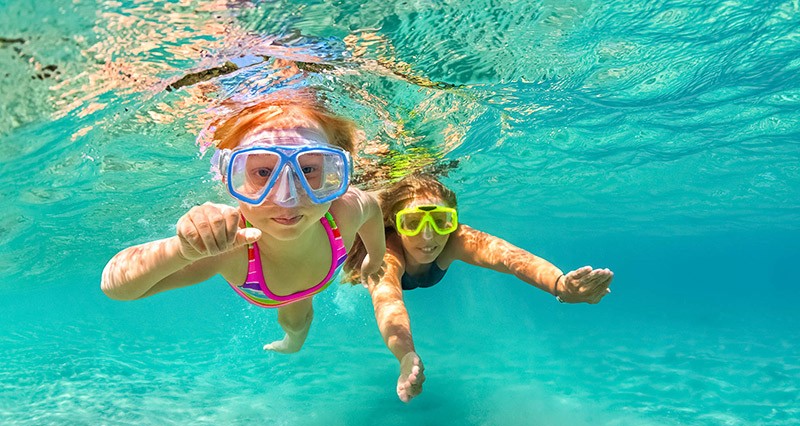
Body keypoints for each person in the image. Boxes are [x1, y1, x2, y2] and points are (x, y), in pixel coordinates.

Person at [101, 94, 386, 353]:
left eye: (309, 169)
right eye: (263, 172)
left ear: (335, 169)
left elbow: (373, 211)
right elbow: (116, 287)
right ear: (230, 177)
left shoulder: (345, 210)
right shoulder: (229, 245)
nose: (287, 197)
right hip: (267, 289)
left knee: (299, 319)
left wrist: (374, 258)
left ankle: (293, 343)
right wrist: (183, 250)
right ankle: (292, 342)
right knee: (294, 318)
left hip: (312, 283)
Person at [345, 174, 613, 402]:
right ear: (396, 224)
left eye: (441, 221)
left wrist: (560, 285)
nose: (428, 236)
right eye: (413, 222)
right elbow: (389, 304)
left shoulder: (456, 240)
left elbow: (510, 258)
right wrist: (405, 356)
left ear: (453, 222)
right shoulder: (386, 255)